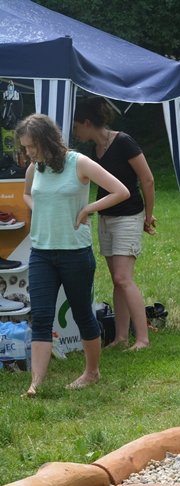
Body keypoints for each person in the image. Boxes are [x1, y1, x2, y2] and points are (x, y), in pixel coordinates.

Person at [16, 114, 130, 397]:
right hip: (41, 252)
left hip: (75, 254)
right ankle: (35, 384)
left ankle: (92, 373)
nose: (28, 153)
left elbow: (121, 190)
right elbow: (27, 194)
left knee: (82, 314)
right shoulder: (35, 168)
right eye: (25, 148)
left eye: (32, 146)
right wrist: (37, 206)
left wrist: (89, 208)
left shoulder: (77, 162)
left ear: (46, 140)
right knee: (41, 317)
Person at [73, 97, 156, 351]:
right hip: (107, 218)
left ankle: (142, 338)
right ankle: (121, 337)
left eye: (77, 126)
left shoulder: (123, 141)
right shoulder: (92, 151)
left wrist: (148, 216)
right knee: (116, 279)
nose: (75, 132)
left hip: (128, 216)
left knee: (123, 277)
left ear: (88, 123)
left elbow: (147, 179)